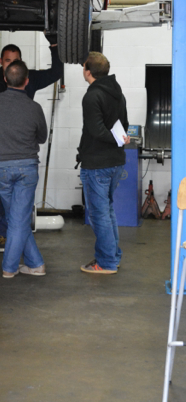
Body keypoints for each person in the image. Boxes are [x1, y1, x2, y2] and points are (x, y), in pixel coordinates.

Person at [0, 37, 62, 252]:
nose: (11, 65)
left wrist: (54, 45)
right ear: (1, 61)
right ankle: (1, 231)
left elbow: (56, 73)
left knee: (11, 196)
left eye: (15, 61)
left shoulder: (28, 78)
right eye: (7, 61)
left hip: (20, 150)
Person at [0, 60, 47, 278]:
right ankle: (11, 268)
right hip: (26, 168)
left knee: (16, 219)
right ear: (27, 81)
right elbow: (42, 137)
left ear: (5, 79)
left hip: (0, 168)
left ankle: (34, 264)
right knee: (18, 220)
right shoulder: (34, 108)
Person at [77, 51, 130, 275]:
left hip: (97, 164)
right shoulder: (118, 93)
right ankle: (112, 257)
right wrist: (120, 139)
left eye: (83, 67)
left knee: (99, 215)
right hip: (116, 162)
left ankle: (106, 262)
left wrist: (117, 139)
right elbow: (124, 124)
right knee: (107, 211)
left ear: (88, 71)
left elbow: (97, 130)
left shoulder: (92, 96)